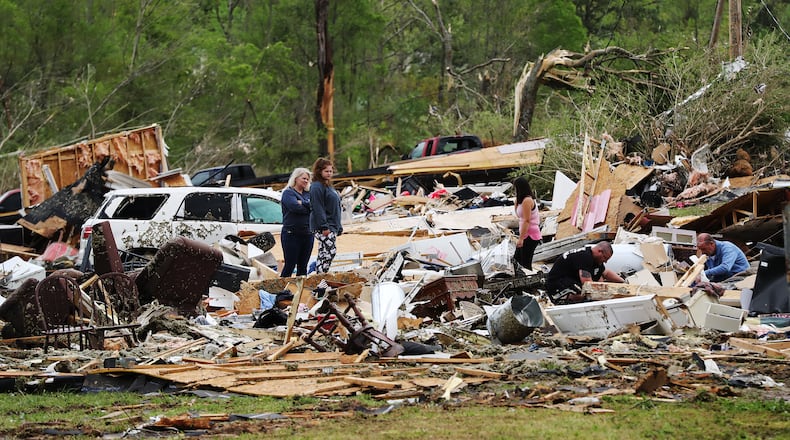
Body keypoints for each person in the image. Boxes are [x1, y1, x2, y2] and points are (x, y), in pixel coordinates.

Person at [546, 241, 624, 304]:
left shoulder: (595, 258)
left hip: (569, 279)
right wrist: (606, 295)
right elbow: (587, 284)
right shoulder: (584, 257)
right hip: (556, 284)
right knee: (584, 293)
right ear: (599, 251)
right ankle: (562, 301)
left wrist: (623, 282)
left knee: (599, 279)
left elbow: (605, 273)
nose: (606, 261)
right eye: (605, 258)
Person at [309, 157, 343, 273]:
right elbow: (318, 207)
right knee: (330, 252)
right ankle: (321, 275)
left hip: (332, 225)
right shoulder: (316, 187)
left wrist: (338, 226)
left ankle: (320, 276)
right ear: (319, 171)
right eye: (326, 171)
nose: (329, 173)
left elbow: (335, 207)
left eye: (331, 171)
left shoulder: (327, 186)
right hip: (323, 227)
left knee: (324, 252)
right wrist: (324, 226)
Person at [279, 167, 313, 277]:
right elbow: (295, 208)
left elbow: (316, 206)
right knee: (290, 265)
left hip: (307, 234)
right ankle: (283, 290)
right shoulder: (288, 193)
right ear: (296, 178)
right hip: (291, 234)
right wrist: (308, 206)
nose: (306, 181)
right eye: (303, 178)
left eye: (308, 179)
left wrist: (302, 203)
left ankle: (301, 291)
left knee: (303, 266)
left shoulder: (308, 193)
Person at [513, 176, 542, 271]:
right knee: (516, 260)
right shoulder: (521, 201)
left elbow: (526, 220)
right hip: (524, 233)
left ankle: (528, 279)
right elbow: (519, 215)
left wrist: (521, 239)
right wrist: (516, 202)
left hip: (530, 234)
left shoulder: (527, 201)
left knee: (525, 262)